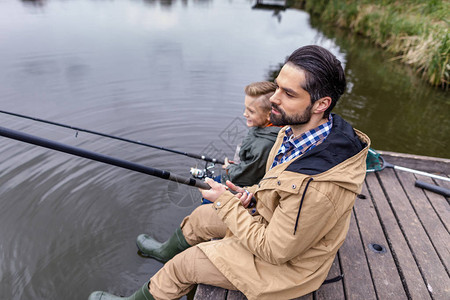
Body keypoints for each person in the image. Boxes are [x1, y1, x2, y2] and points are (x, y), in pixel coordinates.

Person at [88, 45, 370, 300]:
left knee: (184, 265)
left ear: (322, 104)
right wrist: (252, 195)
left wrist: (224, 201)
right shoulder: (293, 132)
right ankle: (164, 251)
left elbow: (275, 250)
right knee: (201, 217)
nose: (274, 98)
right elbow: (283, 186)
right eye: (278, 87)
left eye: (289, 93)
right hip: (273, 226)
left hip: (289, 268)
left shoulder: (318, 186)